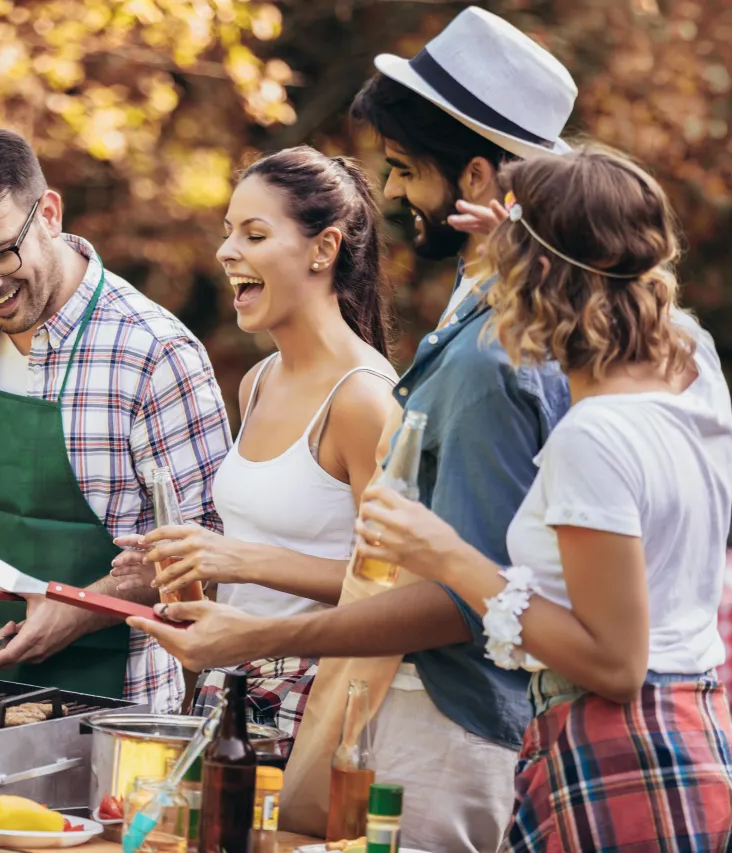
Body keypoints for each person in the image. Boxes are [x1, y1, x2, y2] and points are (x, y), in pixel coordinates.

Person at [130, 8, 577, 850]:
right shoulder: (471, 324)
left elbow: (462, 596)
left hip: (441, 722)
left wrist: (258, 620)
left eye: (407, 169)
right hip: (399, 716)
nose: (396, 193)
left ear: (478, 178)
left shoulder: (488, 357)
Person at [355, 147, 732, 851]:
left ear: (545, 272)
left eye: (511, 256)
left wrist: (449, 556)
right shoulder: (693, 365)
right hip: (687, 735)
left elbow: (616, 664)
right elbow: (613, 274)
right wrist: (535, 233)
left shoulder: (592, 438)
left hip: (621, 751)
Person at [0, 129, 231, 712]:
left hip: (112, 699)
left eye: (1, 253)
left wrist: (80, 610)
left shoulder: (154, 352)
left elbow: (206, 552)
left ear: (49, 214)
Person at [109, 146, 398, 744]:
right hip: (229, 687)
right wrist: (184, 566)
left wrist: (233, 556)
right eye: (228, 232)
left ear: (325, 249)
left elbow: (393, 588)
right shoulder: (259, 382)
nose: (226, 251)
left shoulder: (363, 401)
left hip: (316, 698)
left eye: (255, 233)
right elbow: (255, 556)